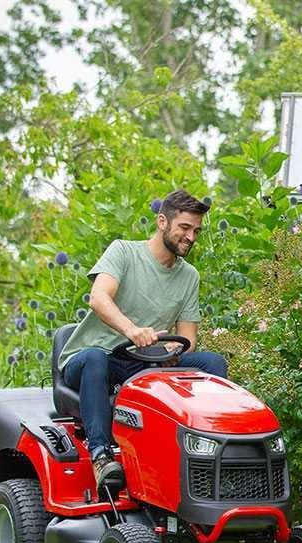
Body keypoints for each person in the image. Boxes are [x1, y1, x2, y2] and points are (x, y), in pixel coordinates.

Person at [57, 189, 228, 492]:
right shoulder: (124, 252)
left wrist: (174, 349)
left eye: (197, 231)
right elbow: (98, 298)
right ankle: (100, 456)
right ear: (162, 222)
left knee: (212, 363)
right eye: (184, 228)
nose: (191, 237)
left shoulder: (189, 276)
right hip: (92, 359)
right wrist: (132, 330)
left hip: (145, 361)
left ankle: (207, 454)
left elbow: (188, 337)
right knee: (95, 358)